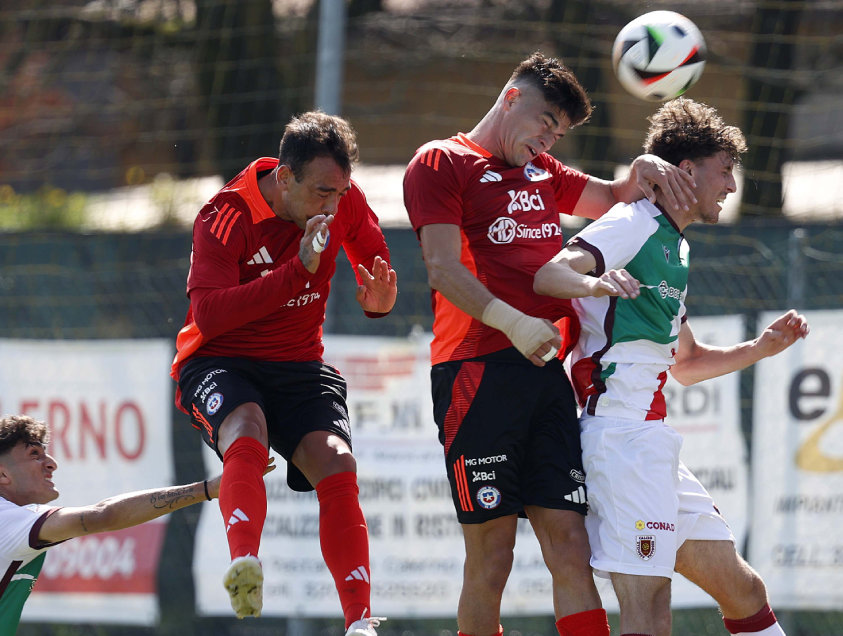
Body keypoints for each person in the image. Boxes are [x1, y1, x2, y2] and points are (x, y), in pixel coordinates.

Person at [401, 52, 696, 636]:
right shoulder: (441, 161)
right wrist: (510, 320)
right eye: (544, 123)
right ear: (511, 97)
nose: (548, 139)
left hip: (544, 375)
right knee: (494, 555)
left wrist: (640, 166)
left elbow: (614, 195)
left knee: (570, 545)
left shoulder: (544, 172)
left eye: (559, 133)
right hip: (475, 371)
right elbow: (441, 269)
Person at [532, 98, 807, 636]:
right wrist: (593, 282)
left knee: (744, 590)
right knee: (650, 611)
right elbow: (550, 275)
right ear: (687, 170)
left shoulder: (674, 247)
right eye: (725, 171)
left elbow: (687, 363)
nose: (731, 186)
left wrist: (760, 347)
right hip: (619, 441)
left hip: (652, 440)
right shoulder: (633, 222)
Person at [170, 112, 397, 635]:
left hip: (297, 363)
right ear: (285, 177)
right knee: (246, 428)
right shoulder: (223, 215)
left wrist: (381, 300)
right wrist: (298, 270)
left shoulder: (343, 198)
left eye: (340, 192)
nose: (333, 206)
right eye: (322, 193)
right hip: (220, 360)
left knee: (337, 463)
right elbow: (211, 316)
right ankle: (244, 564)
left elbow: (374, 256)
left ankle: (360, 623)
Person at [0, 414, 274, 633]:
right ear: (3, 474)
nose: (51, 463)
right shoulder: (10, 520)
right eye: (34, 454)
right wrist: (206, 489)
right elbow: (102, 515)